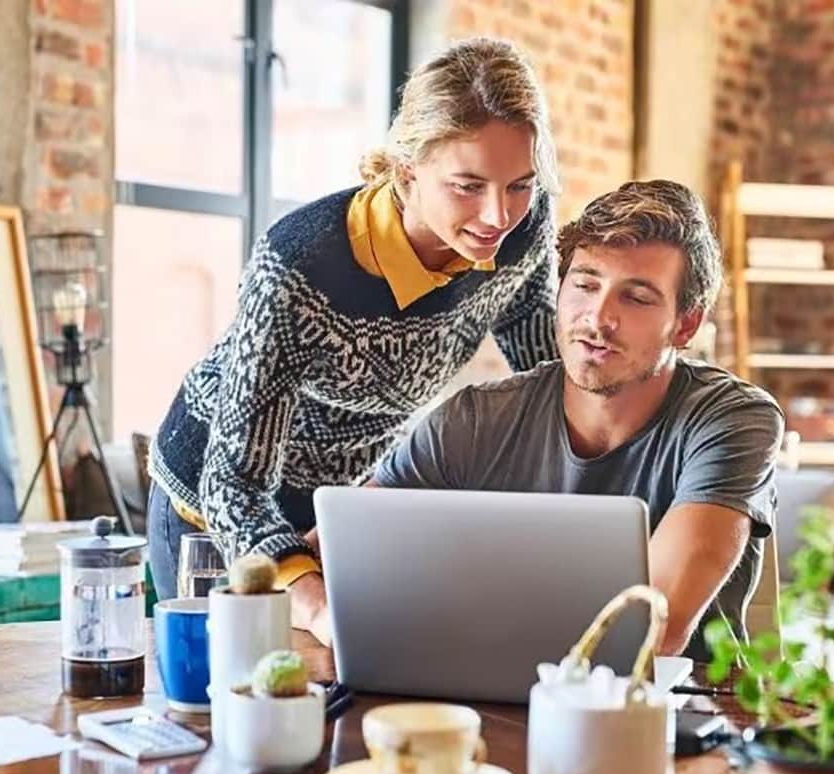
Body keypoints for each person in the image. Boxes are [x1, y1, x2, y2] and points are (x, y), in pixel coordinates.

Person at [146, 37, 562, 641]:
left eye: (518, 185)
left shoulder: (522, 231)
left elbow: (540, 369)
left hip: (338, 511)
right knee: (235, 711)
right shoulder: (300, 264)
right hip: (212, 512)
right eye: (468, 185)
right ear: (406, 169)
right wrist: (313, 605)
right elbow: (234, 483)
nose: (498, 215)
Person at [300, 180, 784, 659]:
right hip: (481, 700)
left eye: (635, 298)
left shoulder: (734, 422)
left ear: (685, 325)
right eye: (585, 284)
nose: (597, 318)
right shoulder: (472, 421)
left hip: (673, 715)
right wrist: (323, 617)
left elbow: (652, 630)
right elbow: (324, 554)